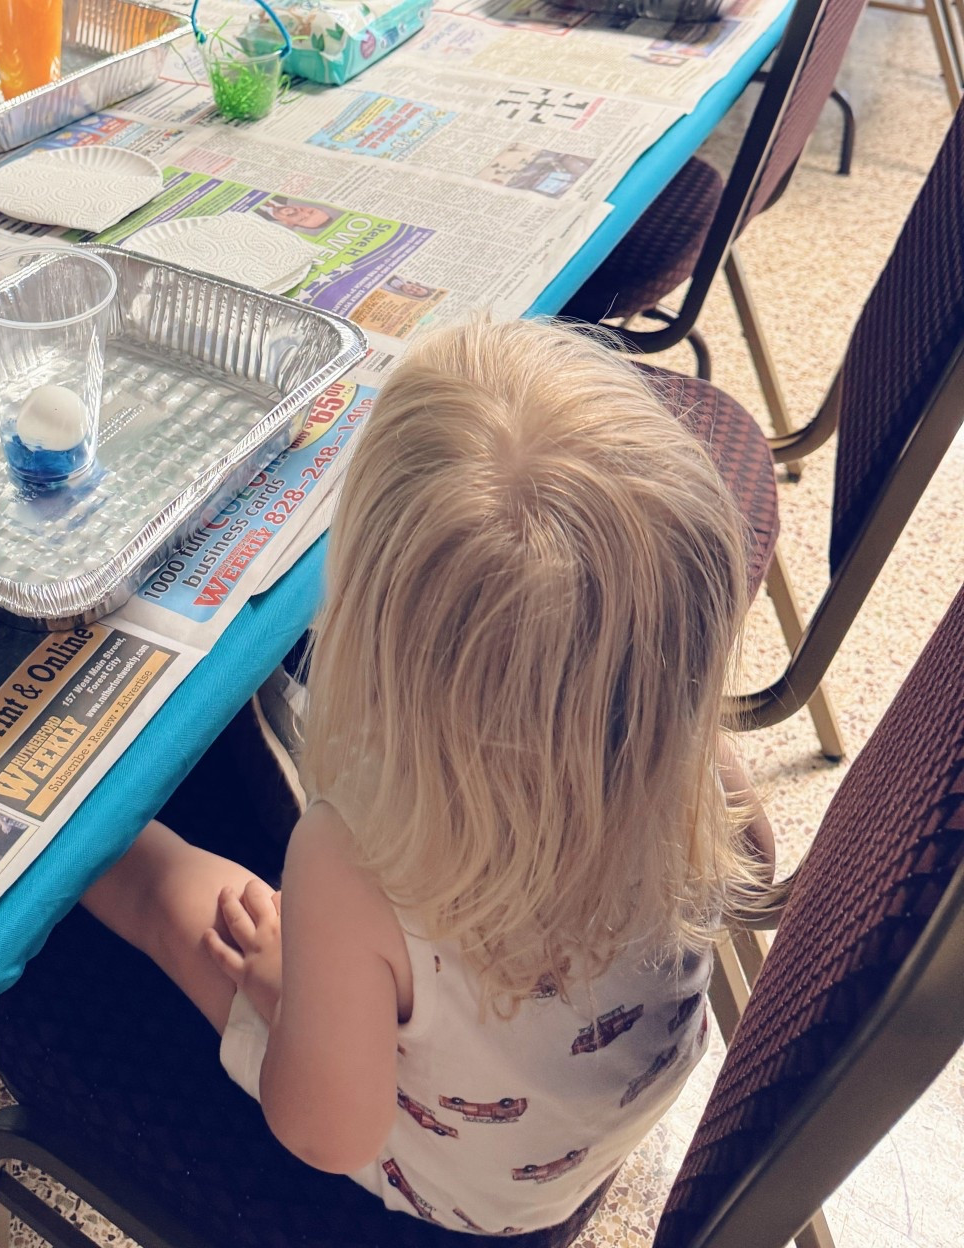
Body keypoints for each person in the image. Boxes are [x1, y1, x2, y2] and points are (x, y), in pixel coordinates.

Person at [66, 321, 773, 1239]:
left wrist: (287, 990)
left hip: (460, 1189)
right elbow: (755, 855)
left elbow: (324, 1132)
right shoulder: (675, 735)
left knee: (180, 902)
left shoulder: (347, 862)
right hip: (600, 1116)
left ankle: (44, 824)